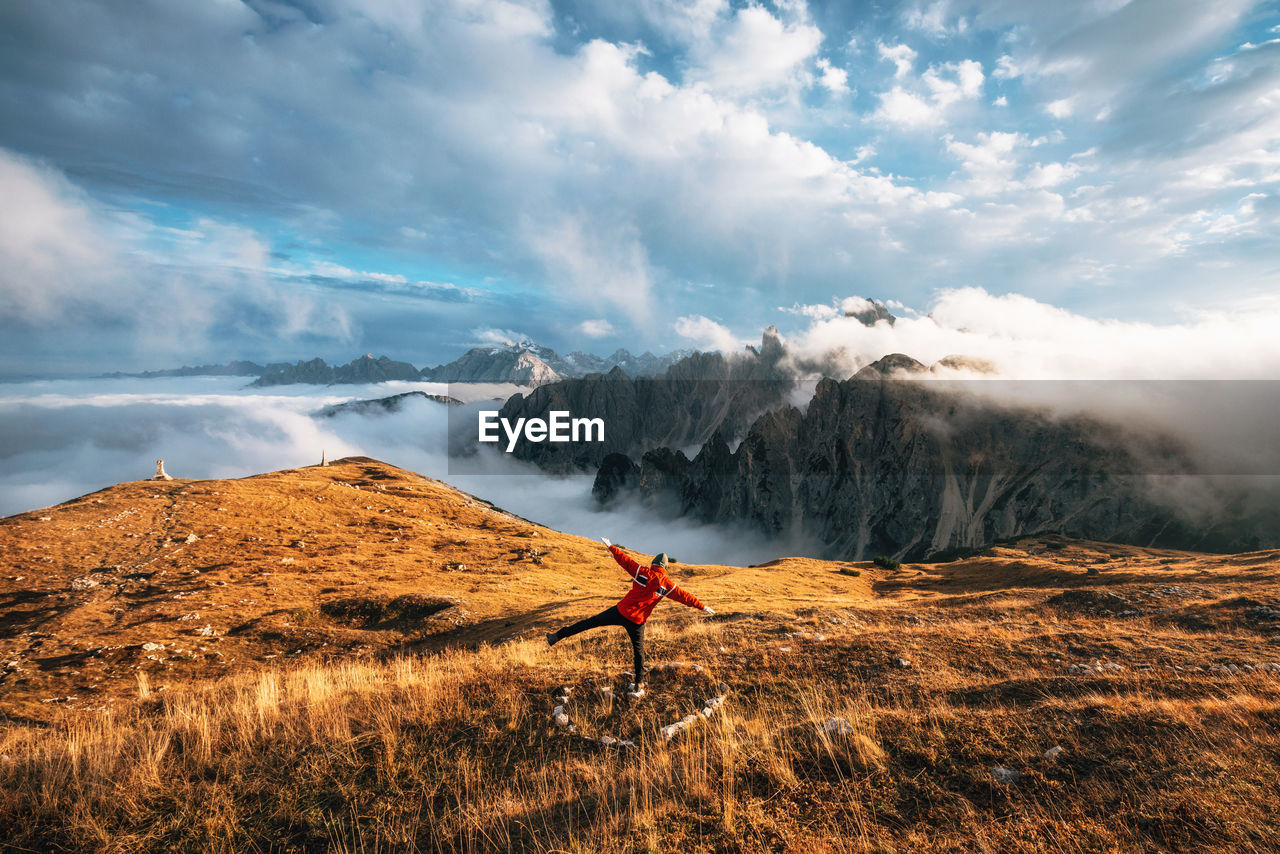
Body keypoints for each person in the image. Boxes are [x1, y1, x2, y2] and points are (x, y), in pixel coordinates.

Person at [547, 537, 714, 699]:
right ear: (665, 568)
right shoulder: (667, 586)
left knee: (589, 623)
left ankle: (557, 636)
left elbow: (625, 561)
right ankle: (639, 683)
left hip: (620, 611)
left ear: (653, 564)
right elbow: (685, 597)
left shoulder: (642, 571)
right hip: (637, 621)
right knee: (638, 652)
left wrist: (611, 547)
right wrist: (702, 606)